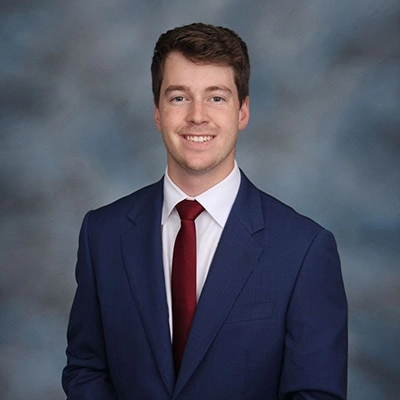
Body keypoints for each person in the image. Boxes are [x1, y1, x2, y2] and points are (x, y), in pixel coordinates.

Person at [62, 23, 348, 399]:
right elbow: (86, 369)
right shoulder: (103, 234)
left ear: (243, 111)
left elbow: (316, 395)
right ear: (157, 112)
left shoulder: (304, 250)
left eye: (217, 98)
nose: (198, 116)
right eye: (179, 97)